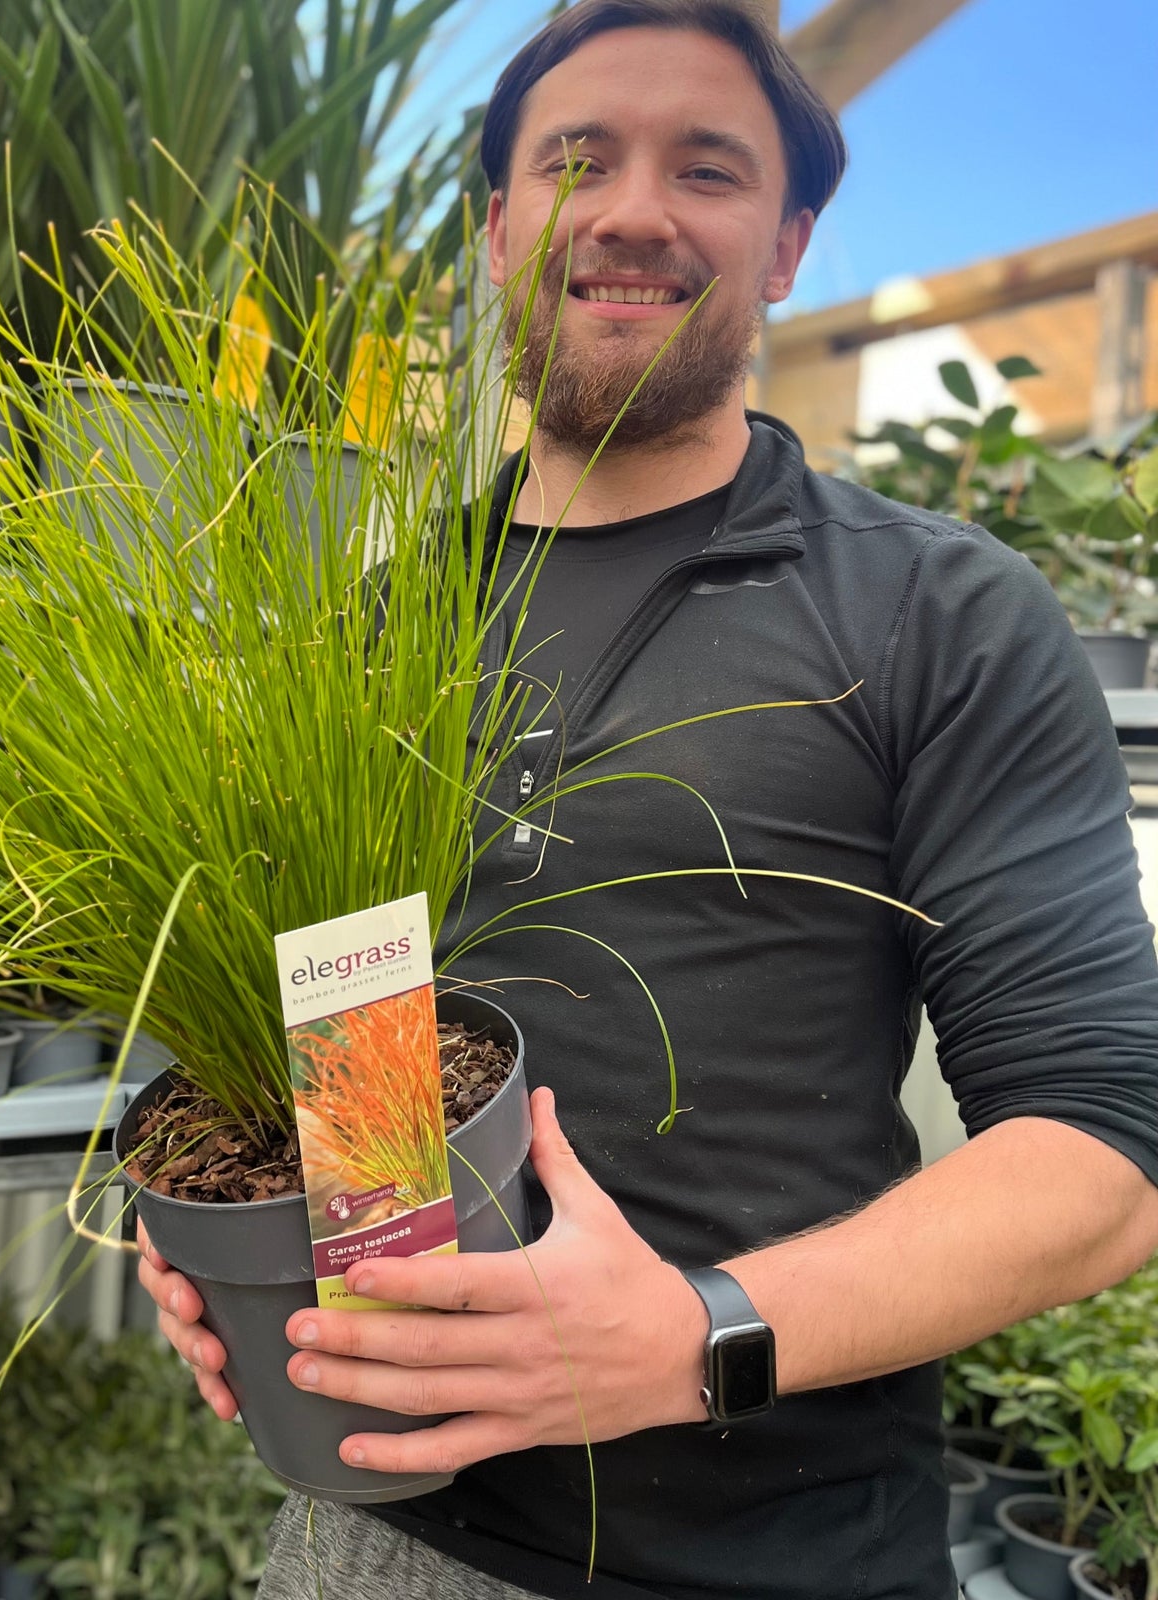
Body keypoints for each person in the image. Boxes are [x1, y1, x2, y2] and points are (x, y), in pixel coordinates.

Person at [138, 2, 1158, 1596]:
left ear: (786, 245)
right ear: (497, 229)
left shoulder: (938, 612)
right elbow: (345, 1033)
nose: (630, 209)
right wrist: (234, 1227)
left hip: (782, 1554)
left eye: (708, 168)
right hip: (375, 1534)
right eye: (576, 159)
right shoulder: (377, 627)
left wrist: (697, 1334)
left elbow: (1101, 1154)